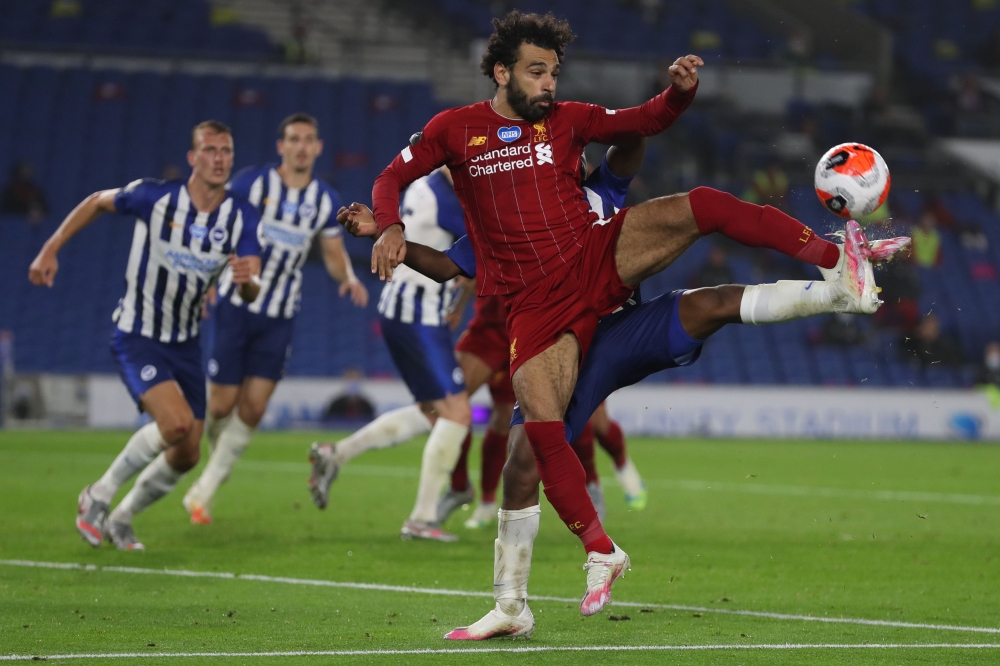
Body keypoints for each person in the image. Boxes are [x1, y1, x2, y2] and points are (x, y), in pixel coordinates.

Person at [367, 10, 881, 620]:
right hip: (543, 312)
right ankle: (531, 593)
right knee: (530, 448)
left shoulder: (579, 141)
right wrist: (388, 228)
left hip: (600, 275)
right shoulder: (464, 152)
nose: (549, 84)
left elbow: (640, 125)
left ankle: (836, 264)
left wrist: (677, 94)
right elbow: (399, 188)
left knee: (705, 223)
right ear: (502, 72)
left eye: (554, 72)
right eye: (536, 72)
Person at [339, 196, 909, 637]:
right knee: (521, 463)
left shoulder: (597, 184)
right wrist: (390, 236)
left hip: (622, 329)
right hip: (561, 343)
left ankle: (839, 293)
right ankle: (510, 606)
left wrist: (669, 99)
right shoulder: (511, 214)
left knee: (711, 303)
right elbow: (448, 264)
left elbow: (629, 144)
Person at [28, 120, 262, 551]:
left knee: (188, 453)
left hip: (186, 344)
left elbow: (253, 286)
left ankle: (122, 518)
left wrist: (247, 282)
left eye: (226, 151)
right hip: (138, 334)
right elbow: (97, 202)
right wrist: (51, 247)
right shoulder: (154, 197)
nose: (219, 159)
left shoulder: (241, 216)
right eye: (210, 150)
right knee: (175, 424)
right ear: (193, 157)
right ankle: (98, 494)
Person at [181, 113, 368, 525]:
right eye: (294, 139)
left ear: (318, 148)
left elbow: (332, 253)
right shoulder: (251, 183)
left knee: (253, 408)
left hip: (279, 314)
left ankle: (205, 489)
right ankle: (214, 460)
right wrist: (206, 275)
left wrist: (348, 278)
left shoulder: (324, 199)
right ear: (281, 146)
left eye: (308, 140)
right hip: (235, 306)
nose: (301, 147)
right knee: (220, 406)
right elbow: (217, 225)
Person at [308, 165, 471, 542]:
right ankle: (422, 519)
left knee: (434, 412)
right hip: (418, 313)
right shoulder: (445, 199)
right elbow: (484, 243)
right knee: (457, 412)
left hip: (403, 307)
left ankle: (336, 454)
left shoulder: (422, 187)